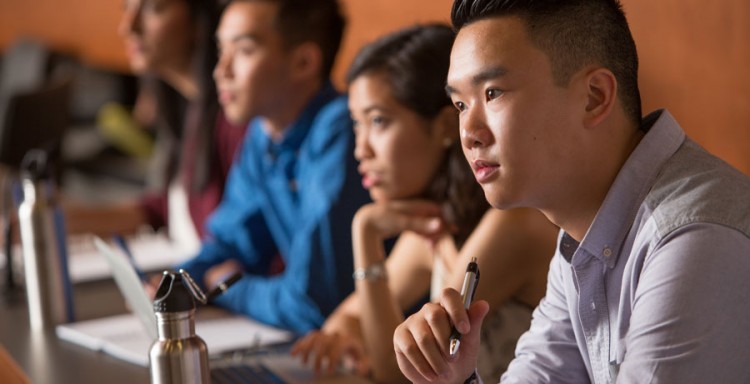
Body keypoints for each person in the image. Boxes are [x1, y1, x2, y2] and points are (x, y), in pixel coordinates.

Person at [393, 1, 750, 383]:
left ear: (594, 97)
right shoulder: (583, 233)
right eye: (461, 104)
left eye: (493, 93)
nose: (469, 133)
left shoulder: (693, 239)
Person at [290, 24, 557, 382]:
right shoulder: (435, 228)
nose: (361, 149)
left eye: (379, 121)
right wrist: (343, 338)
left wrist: (365, 231)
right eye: (357, 124)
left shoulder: (511, 223)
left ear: (446, 125)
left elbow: (393, 371)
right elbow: (346, 319)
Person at [175, 0, 370, 334]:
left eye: (244, 51)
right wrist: (178, 283)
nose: (221, 70)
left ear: (303, 62)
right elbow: (231, 242)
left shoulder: (340, 132)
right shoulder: (263, 134)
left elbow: (313, 304)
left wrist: (227, 286)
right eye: (221, 49)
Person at [65, 0, 247, 252]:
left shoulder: (237, 123)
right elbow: (165, 209)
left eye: (153, 9)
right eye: (126, 8)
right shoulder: (189, 106)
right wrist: (60, 221)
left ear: (200, 21)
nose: (128, 27)